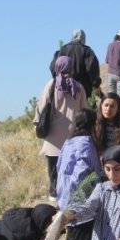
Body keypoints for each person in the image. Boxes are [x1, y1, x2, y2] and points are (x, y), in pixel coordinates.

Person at [54, 109, 102, 240]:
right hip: (79, 203)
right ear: (92, 125)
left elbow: (58, 169)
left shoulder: (68, 142)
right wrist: (85, 197)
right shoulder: (86, 144)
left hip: (65, 199)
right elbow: (85, 175)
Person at [34, 55, 88, 201]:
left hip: (52, 135)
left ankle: (53, 193)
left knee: (53, 168)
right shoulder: (79, 87)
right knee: (70, 168)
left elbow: (41, 106)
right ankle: (70, 194)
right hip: (72, 135)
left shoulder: (51, 85)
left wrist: (37, 124)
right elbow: (84, 111)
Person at [49, 29, 103, 99]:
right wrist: (96, 84)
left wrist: (60, 79)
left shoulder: (61, 50)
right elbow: (91, 68)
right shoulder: (87, 51)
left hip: (62, 91)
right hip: (82, 91)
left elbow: (53, 68)